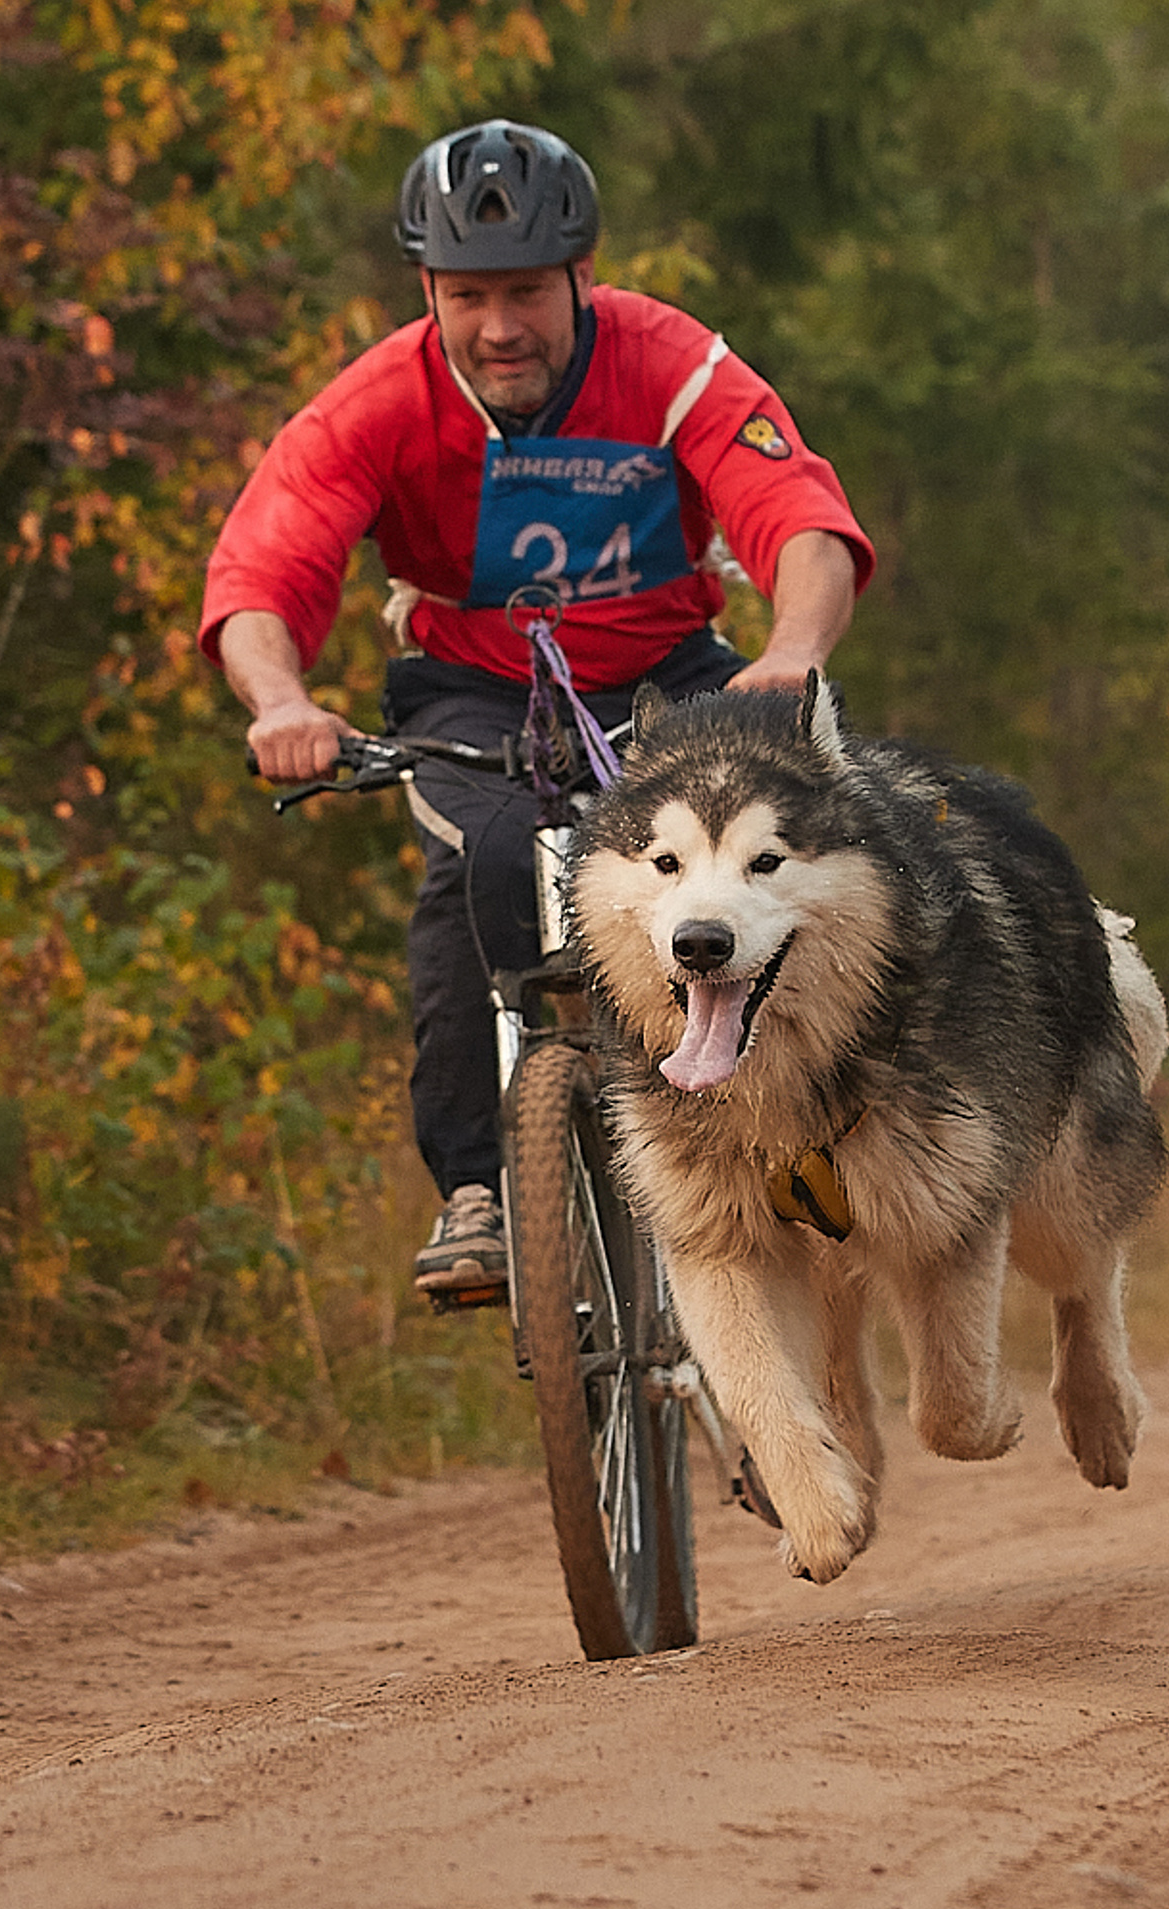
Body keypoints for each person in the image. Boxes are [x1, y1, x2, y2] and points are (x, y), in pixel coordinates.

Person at [201, 119, 874, 1300]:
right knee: (486, 863)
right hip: (468, 696)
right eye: (467, 295)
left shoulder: (673, 364)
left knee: (790, 862)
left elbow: (794, 514)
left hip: (669, 687)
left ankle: (810, 1133)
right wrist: (279, 701)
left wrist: (791, 653)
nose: (499, 325)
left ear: (581, 276)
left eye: (525, 291)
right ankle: (480, 1185)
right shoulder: (378, 401)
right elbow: (267, 565)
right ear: (426, 290)